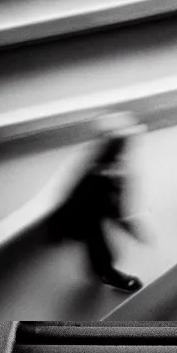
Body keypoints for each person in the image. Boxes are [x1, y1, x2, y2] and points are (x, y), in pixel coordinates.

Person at [49, 114, 146, 293]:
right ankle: (106, 273)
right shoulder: (105, 175)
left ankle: (103, 270)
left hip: (86, 215)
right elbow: (111, 207)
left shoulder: (100, 167)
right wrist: (127, 225)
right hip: (85, 217)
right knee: (100, 248)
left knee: (98, 246)